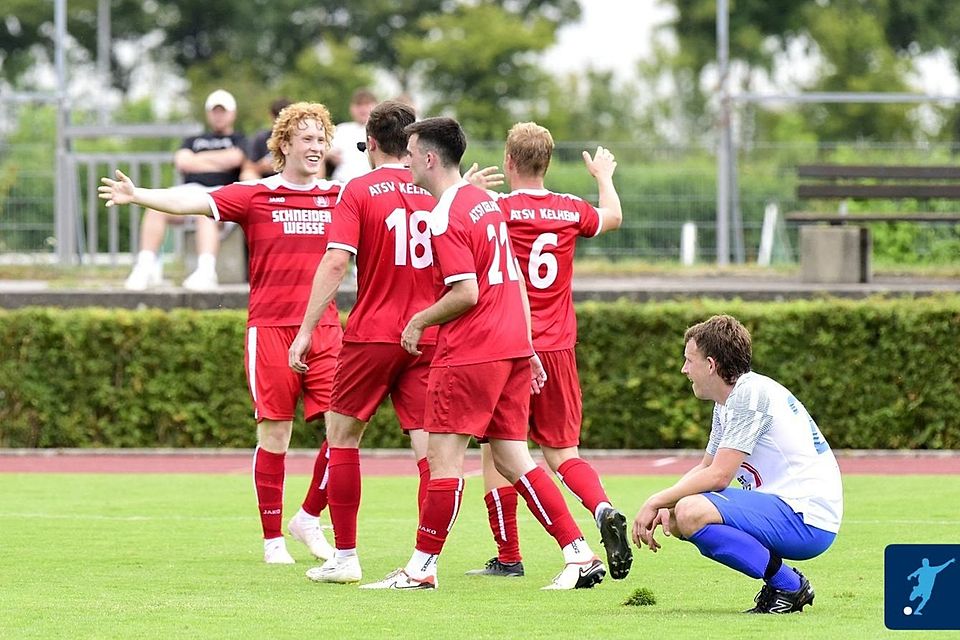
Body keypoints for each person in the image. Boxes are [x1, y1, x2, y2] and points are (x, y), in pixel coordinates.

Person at [360, 117, 605, 591]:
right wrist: (527, 348)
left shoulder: (448, 214)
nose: (405, 160)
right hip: (511, 344)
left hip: (471, 351)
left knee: (443, 459)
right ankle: (579, 554)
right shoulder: (483, 204)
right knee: (515, 459)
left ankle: (420, 569)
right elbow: (510, 280)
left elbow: (467, 292)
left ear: (429, 158)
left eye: (410, 152)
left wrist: (418, 320)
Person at [100, 102, 344, 565]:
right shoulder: (255, 194)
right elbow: (191, 200)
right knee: (276, 436)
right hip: (270, 329)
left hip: (326, 330)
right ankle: (273, 541)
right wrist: (140, 195)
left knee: (344, 431)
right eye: (307, 139)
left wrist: (454, 192)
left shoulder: (339, 197)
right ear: (285, 144)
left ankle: (309, 516)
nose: (315, 147)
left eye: (321, 139)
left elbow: (401, 208)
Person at [287, 101, 503, 584]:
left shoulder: (358, 190)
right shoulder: (440, 193)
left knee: (342, 440)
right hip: (428, 334)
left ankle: (345, 558)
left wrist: (305, 331)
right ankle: (424, 560)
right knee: (433, 455)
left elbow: (337, 262)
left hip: (371, 334)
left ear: (371, 142)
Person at [465, 122, 630, 581]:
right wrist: (602, 176)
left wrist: (468, 189)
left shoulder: (494, 208)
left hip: (509, 345)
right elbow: (612, 217)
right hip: (559, 348)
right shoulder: (569, 208)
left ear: (509, 162)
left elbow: (454, 223)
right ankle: (601, 508)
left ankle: (510, 555)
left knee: (499, 450)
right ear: (548, 163)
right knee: (562, 453)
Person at [632, 314, 843, 613]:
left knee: (690, 510)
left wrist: (655, 500)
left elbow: (719, 476)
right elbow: (706, 467)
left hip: (807, 518)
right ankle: (783, 586)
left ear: (711, 364)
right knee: (678, 516)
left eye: (689, 360)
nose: (684, 369)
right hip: (789, 509)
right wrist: (666, 505)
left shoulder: (749, 394)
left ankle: (789, 585)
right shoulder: (727, 402)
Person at [124, 89, 252, 292]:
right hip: (189, 191)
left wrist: (198, 160)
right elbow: (182, 162)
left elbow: (236, 159)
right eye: (215, 111)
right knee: (156, 207)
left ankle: (206, 271)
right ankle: (145, 266)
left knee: (206, 209)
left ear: (232, 113)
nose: (218, 115)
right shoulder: (193, 139)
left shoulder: (241, 139)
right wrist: (220, 160)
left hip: (223, 197)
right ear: (208, 113)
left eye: (223, 111)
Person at [327, 88, 377, 182]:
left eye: (367, 104)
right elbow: (324, 151)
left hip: (371, 184)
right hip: (342, 182)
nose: (363, 109)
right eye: (359, 105)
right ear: (351, 108)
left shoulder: (381, 131)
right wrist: (329, 155)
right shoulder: (341, 129)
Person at [248, 98, 293, 178]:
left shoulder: (298, 138)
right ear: (271, 116)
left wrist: (280, 164)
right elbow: (249, 168)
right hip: (266, 182)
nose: (282, 122)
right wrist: (261, 167)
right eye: (278, 117)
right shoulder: (261, 138)